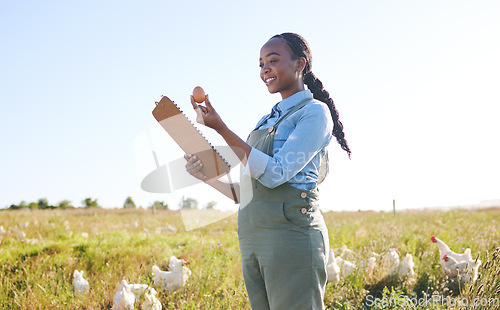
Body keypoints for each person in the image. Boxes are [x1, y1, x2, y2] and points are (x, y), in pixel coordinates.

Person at [184, 32, 351, 310]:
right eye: (261, 64)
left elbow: (275, 174)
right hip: (253, 238)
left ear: (300, 64)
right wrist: (206, 177)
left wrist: (222, 129)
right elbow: (246, 193)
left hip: (290, 237)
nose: (265, 70)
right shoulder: (266, 120)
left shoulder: (314, 113)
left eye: (272, 60)